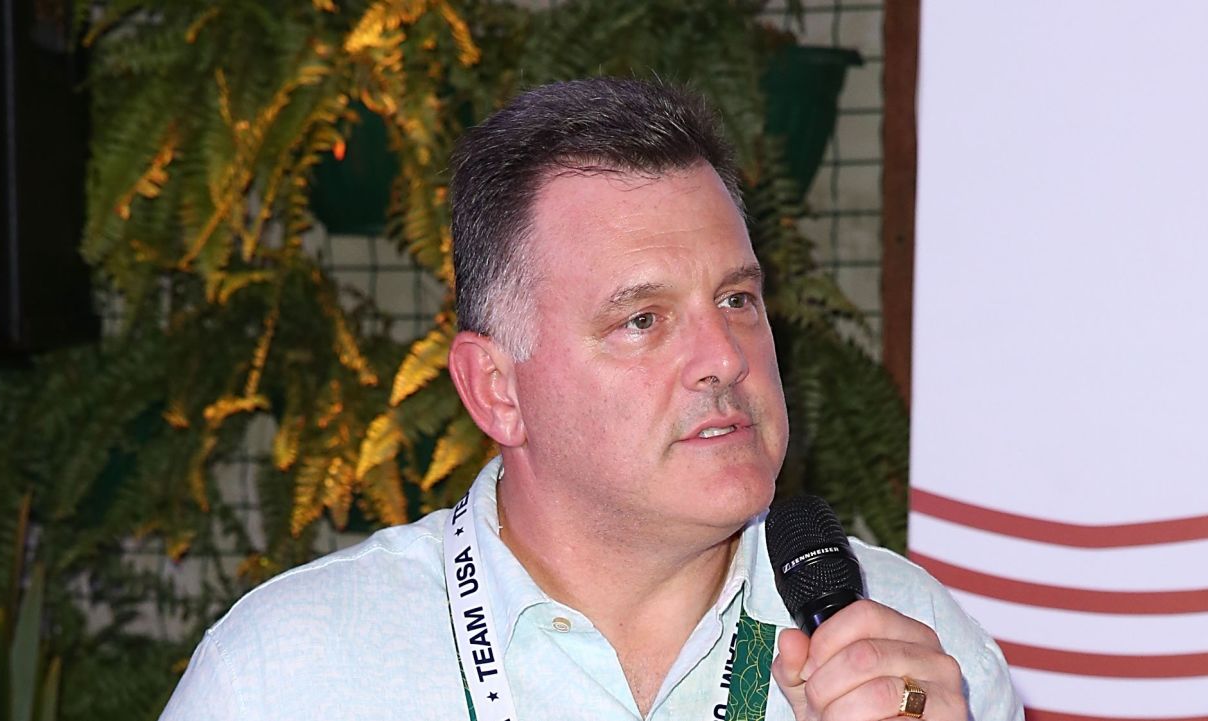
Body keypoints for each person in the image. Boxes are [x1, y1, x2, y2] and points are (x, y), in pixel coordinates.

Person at [159, 77, 1022, 721]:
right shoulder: (287, 672)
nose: (723, 355)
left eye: (737, 299)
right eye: (642, 319)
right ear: (497, 390)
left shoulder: (910, 648)